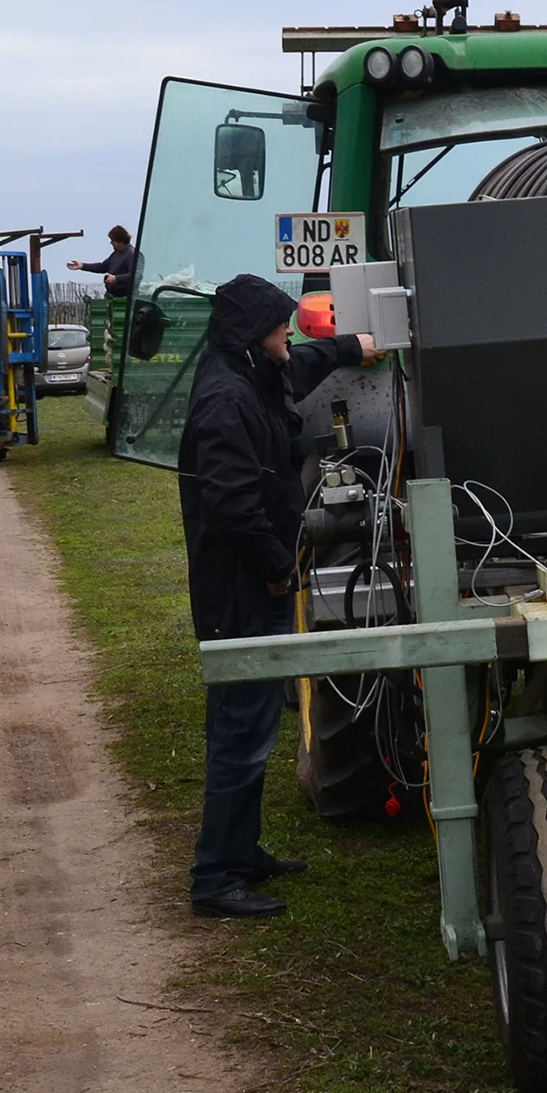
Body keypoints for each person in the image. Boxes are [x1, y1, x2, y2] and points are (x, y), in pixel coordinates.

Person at [178, 275, 377, 918]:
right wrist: (274, 567)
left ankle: (241, 854)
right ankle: (215, 878)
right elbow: (232, 504)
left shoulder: (255, 375)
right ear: (249, 333)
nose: (288, 332)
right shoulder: (224, 400)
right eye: (279, 324)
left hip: (254, 583)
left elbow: (304, 363)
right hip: (240, 591)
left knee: (256, 725)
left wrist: (354, 345)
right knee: (239, 731)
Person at [66, 224, 137, 298]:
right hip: (112, 296)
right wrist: (82, 266)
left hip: (125, 299)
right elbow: (102, 267)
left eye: (112, 240)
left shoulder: (131, 254)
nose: (111, 243)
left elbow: (135, 276)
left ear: (120, 240)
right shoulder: (116, 254)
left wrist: (116, 279)